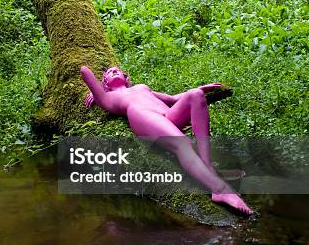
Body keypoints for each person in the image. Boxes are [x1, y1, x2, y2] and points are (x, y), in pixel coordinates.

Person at [80, 65, 253, 215]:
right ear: (105, 84)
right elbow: (84, 71)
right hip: (144, 116)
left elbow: (172, 99)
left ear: (126, 78)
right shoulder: (108, 98)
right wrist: (96, 91)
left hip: (167, 115)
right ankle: (219, 190)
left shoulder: (142, 87)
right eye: (109, 73)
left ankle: (208, 166)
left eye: (117, 70)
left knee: (195, 94)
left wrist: (202, 88)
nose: (114, 71)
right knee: (182, 143)